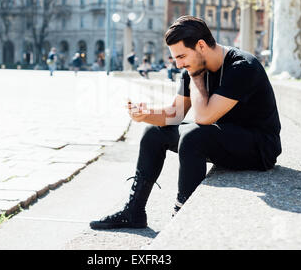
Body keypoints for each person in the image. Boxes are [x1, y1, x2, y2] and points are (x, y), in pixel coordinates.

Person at [89, 15, 282, 230]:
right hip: (224, 138)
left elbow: (204, 118)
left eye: (181, 56)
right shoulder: (193, 66)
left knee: (193, 137)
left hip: (259, 146)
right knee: (154, 132)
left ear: (201, 45)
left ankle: (182, 218)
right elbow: (174, 114)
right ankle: (133, 211)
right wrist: (145, 114)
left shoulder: (242, 67)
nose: (179, 64)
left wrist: (196, 77)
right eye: (175, 59)